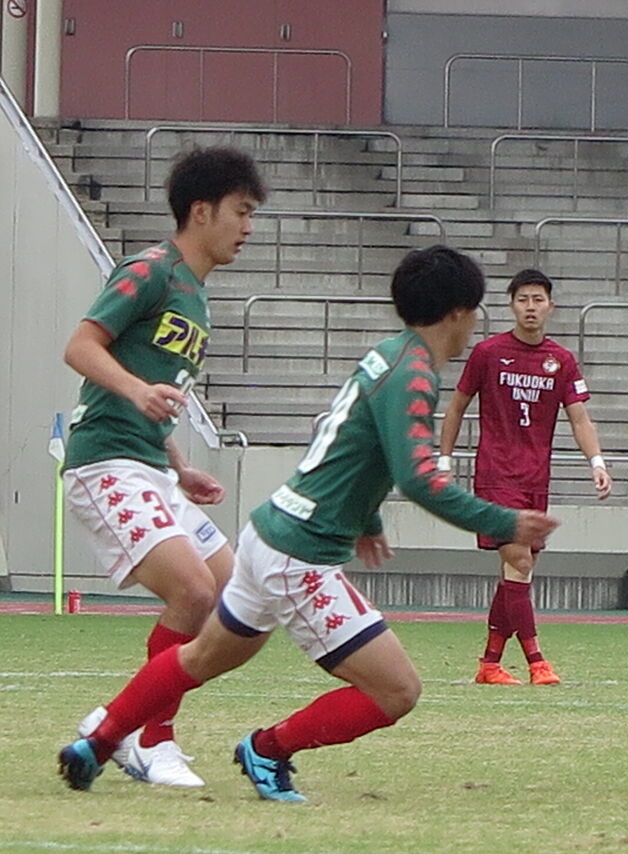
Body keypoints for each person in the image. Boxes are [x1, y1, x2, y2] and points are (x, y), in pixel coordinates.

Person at [58, 245, 560, 802]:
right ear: (460, 313)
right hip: (299, 557)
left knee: (200, 657)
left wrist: (367, 516)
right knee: (396, 690)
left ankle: (97, 742)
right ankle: (268, 749)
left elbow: (355, 448)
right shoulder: (413, 374)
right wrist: (506, 521)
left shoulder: (389, 355)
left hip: (269, 535)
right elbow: (418, 478)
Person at [60, 146, 266, 787]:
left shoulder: (195, 295)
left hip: (148, 464)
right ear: (201, 211)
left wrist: (177, 464)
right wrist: (135, 394)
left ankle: (114, 725)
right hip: (105, 464)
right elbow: (80, 345)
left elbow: (155, 387)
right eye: (242, 211)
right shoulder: (150, 270)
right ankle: (154, 740)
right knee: (195, 591)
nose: (248, 226)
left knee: (242, 601)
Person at [438, 268, 612, 686]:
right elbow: (457, 406)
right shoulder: (488, 353)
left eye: (538, 299)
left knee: (519, 569)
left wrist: (597, 462)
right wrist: (443, 461)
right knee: (518, 560)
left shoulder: (562, 361)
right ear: (511, 305)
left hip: (536, 477)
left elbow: (580, 417)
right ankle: (537, 661)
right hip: (496, 474)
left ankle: (490, 663)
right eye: (523, 300)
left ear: (550, 306)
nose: (530, 307)